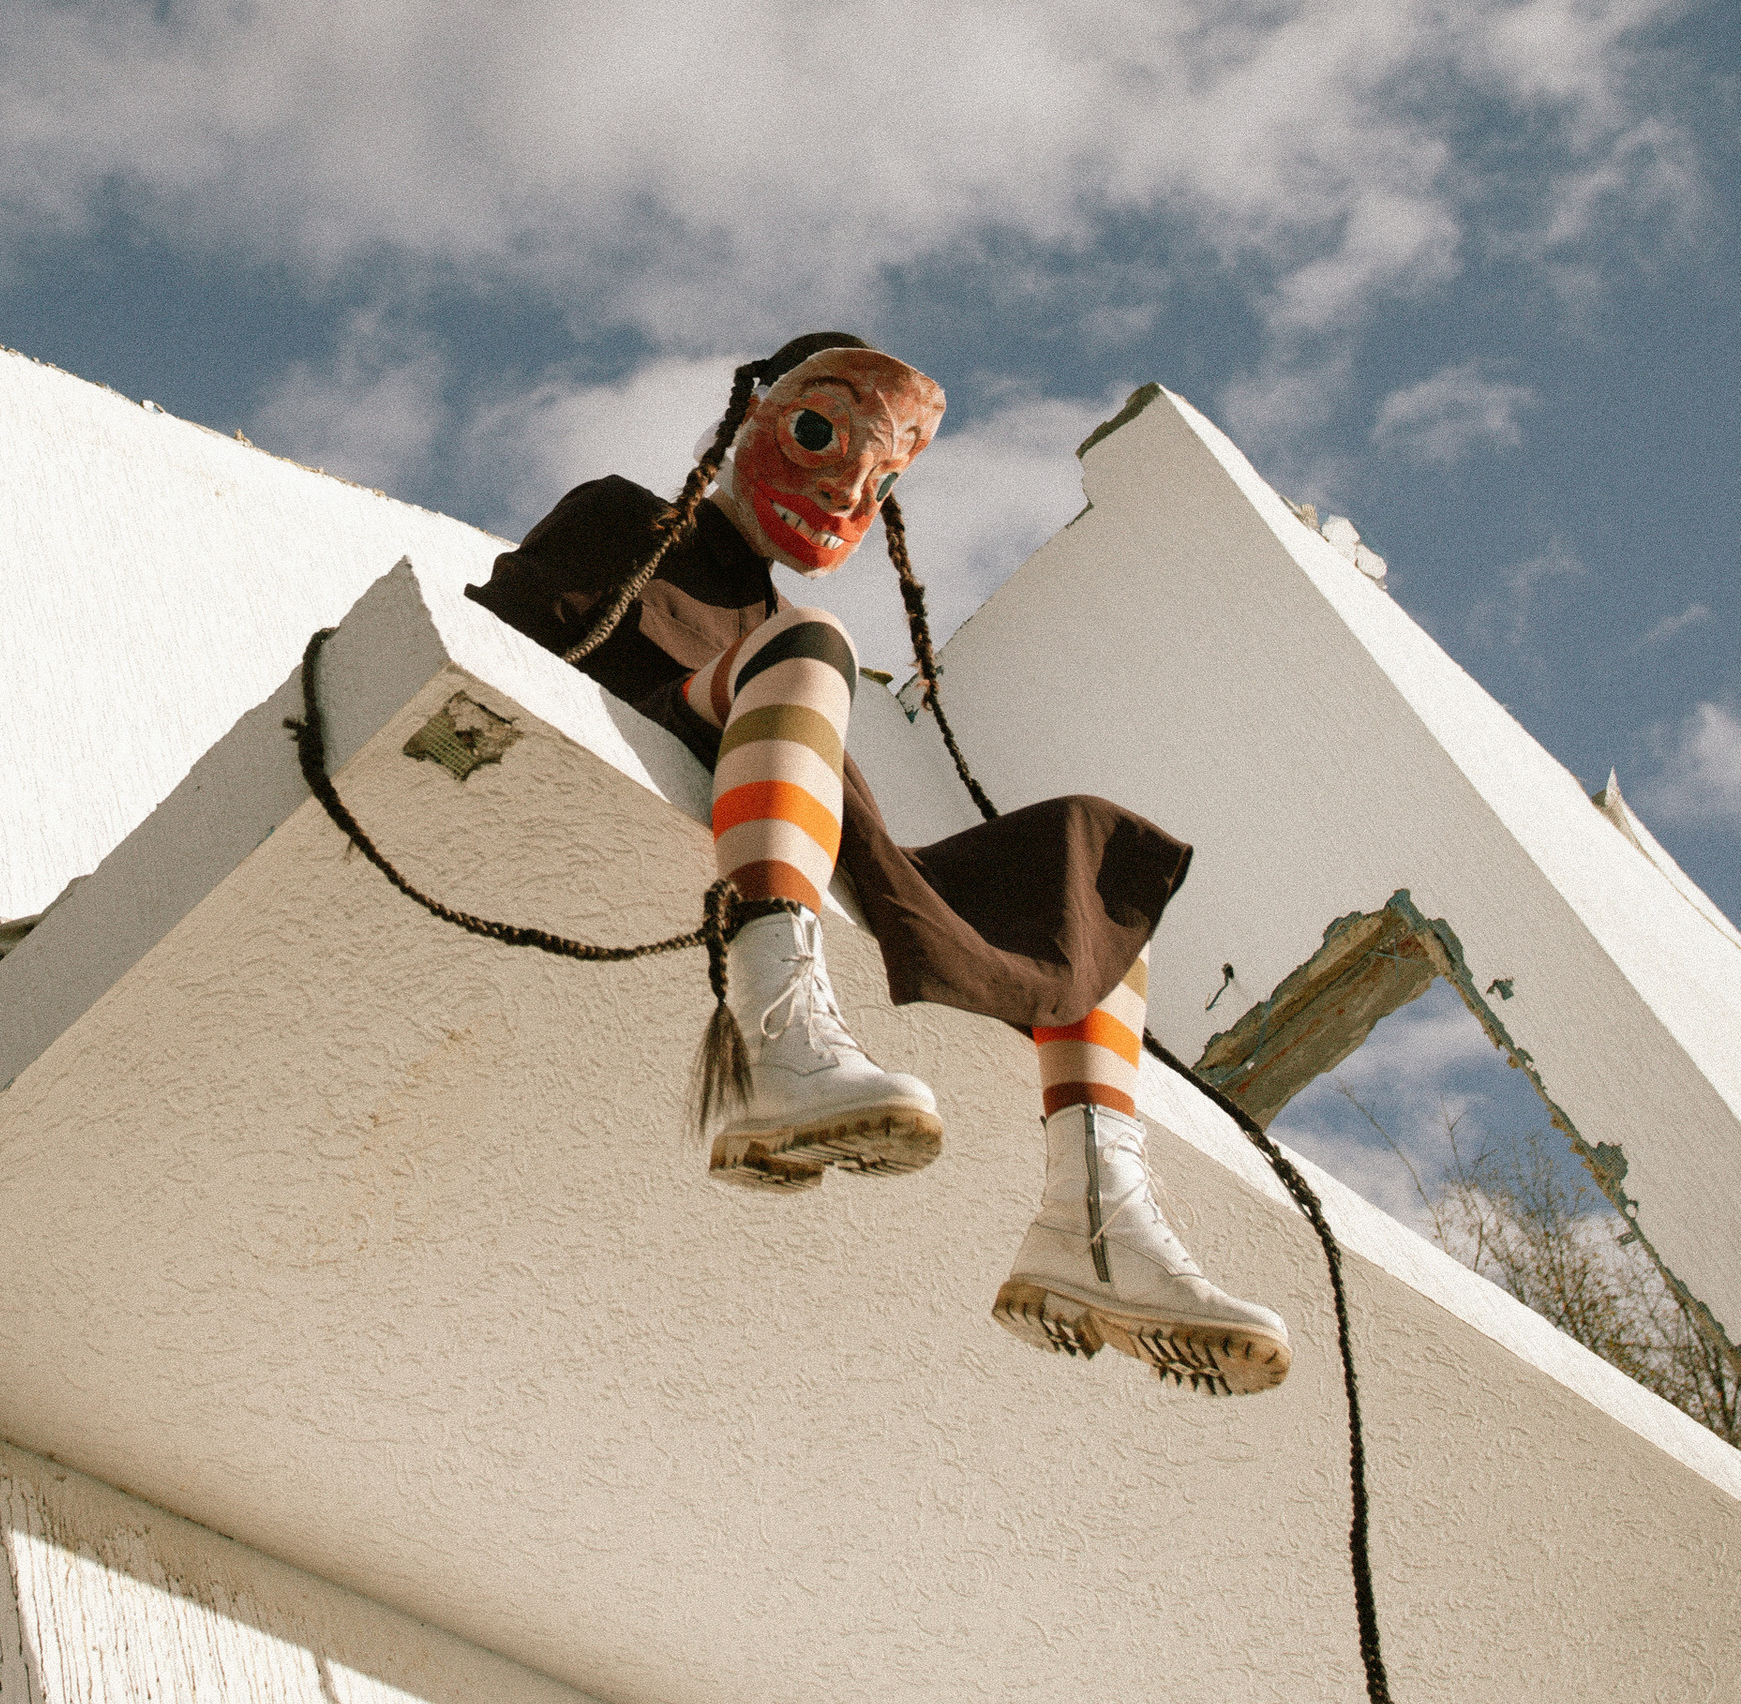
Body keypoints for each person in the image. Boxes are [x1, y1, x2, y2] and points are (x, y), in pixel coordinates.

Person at [465, 332, 1292, 1396]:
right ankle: (776, 1036)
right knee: (809, 647)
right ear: (752, 415)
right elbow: (520, 639)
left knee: (1092, 880)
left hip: (783, 792)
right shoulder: (626, 521)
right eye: (820, 433)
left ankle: (1093, 1221)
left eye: (885, 477)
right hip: (663, 727)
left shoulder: (780, 628)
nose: (850, 488)